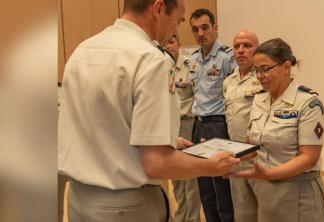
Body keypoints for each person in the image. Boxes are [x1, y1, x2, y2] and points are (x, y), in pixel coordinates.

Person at [58, 1, 241, 221]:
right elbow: (157, 163)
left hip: (79, 199)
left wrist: (168, 139)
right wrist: (211, 166)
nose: (176, 30)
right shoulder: (150, 59)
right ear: (158, 9)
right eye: (178, 21)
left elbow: (106, 123)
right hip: (126, 206)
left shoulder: (83, 49)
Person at [229, 38, 324, 222]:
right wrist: (225, 154)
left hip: (299, 194)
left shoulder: (307, 103)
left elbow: (309, 157)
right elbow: (253, 146)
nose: (259, 76)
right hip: (268, 191)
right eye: (256, 70)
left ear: (286, 67)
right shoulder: (259, 100)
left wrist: (268, 174)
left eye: (265, 69)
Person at [188, 8, 236, 222]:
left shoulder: (227, 57)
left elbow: (234, 93)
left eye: (205, 27)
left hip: (218, 124)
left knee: (221, 185)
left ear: (215, 28)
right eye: (195, 29)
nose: (200, 33)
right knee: (204, 184)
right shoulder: (193, 59)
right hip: (198, 125)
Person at [222, 30, 263, 222]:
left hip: (260, 156)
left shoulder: (265, 79)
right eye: (237, 46)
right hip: (237, 156)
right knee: (242, 210)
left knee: (266, 210)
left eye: (247, 45)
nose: (240, 50)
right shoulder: (228, 81)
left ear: (257, 49)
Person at [164, 35, 201, 222]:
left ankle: (193, 218)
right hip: (168, 126)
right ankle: (181, 217)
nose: (167, 46)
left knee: (191, 180)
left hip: (188, 124)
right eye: (164, 43)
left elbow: (198, 97)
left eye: (171, 42)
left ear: (179, 43)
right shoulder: (159, 66)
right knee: (175, 178)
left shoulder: (190, 66)